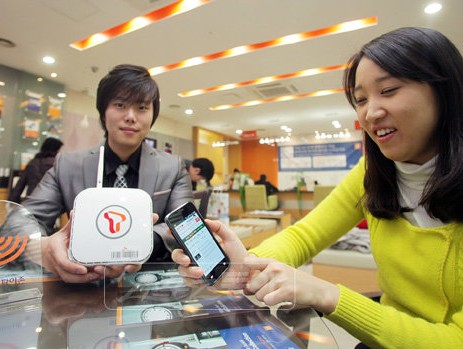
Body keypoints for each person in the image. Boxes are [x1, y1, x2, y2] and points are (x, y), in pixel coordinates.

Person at [172, 27, 463, 348]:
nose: (371, 112)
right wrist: (244, 265)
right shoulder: (373, 173)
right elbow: (304, 236)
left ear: (444, 90)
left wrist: (326, 293)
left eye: (390, 90)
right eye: (361, 99)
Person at [6, 64, 193, 283]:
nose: (131, 116)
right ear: (103, 112)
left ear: (153, 115)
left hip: (148, 285)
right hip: (80, 285)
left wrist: (138, 241)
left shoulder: (173, 167)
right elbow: (17, 223)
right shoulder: (68, 165)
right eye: (120, 105)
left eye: (142, 107)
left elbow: (187, 226)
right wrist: (42, 247)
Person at [7, 137, 63, 203]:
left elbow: (20, 184)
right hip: (51, 202)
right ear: (56, 150)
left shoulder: (32, 163)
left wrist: (12, 201)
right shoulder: (58, 164)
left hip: (31, 200)